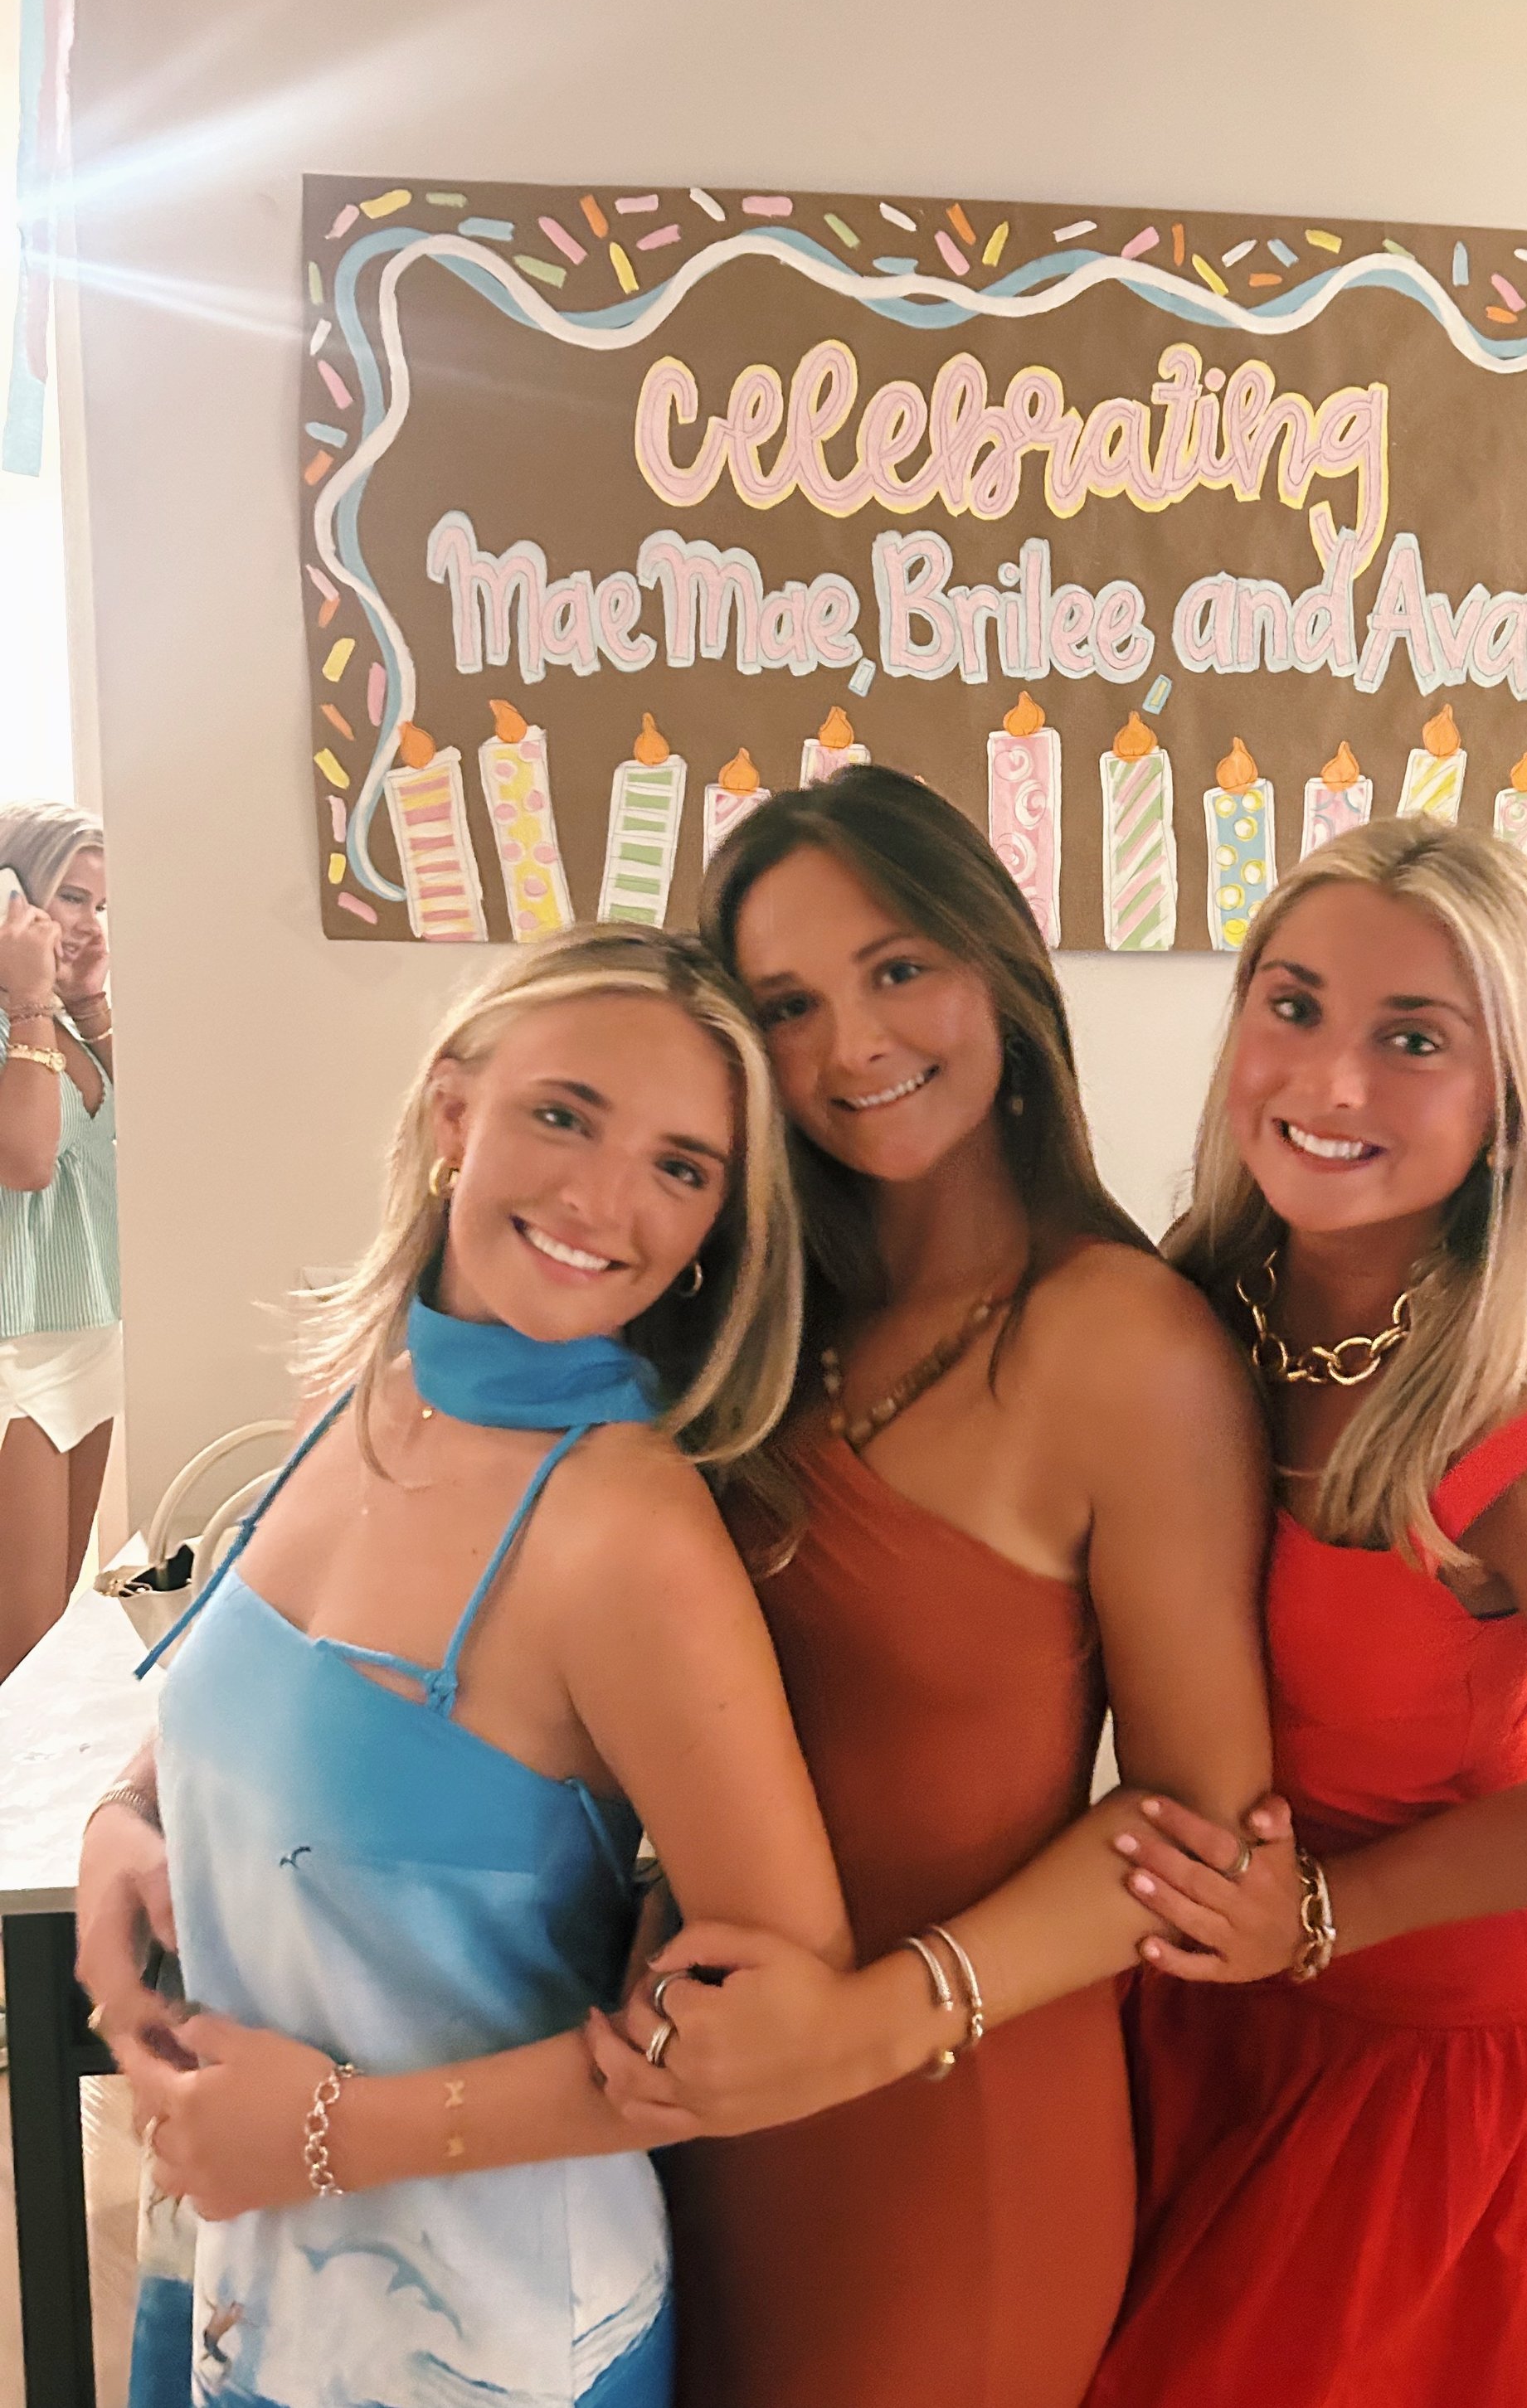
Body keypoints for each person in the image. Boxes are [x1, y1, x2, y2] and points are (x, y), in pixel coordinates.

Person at [584, 767, 1277, 2408]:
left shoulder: (1118, 1338)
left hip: (950, 2133)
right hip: (698, 2109)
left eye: (898, 967)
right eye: (787, 1002)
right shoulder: (749, 1314)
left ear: (999, 969)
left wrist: (864, 2028)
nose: (851, 1043)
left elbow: (1201, 1834)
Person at [100, 926, 849, 2408]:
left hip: (477, 2337)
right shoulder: (361, 1389)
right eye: (563, 1112)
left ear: (720, 1224)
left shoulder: (626, 1532)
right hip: (246, 2279)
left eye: (680, 1166)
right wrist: (130, 1818)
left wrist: (326, 2135)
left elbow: (776, 2011)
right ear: (456, 1114)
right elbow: (257, 1726)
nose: (600, 1198)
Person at [1080, 817, 1527, 2408]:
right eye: (1293, 1003)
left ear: (1512, 1106)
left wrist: (1319, 1917)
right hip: (1209, 2005)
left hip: (1429, 2059)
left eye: (1414, 1039)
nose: (1329, 1081)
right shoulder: (1191, 1310)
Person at [0, 800, 119, 1681]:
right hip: (15, 1346)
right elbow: (29, 1159)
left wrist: (86, 999)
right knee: (24, 1635)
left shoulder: (63, 1019)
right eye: (71, 898)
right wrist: (33, 995)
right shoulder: (19, 1019)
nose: (87, 923)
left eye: (100, 905)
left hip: (86, 1328)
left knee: (58, 1618)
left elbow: (143, 1145)